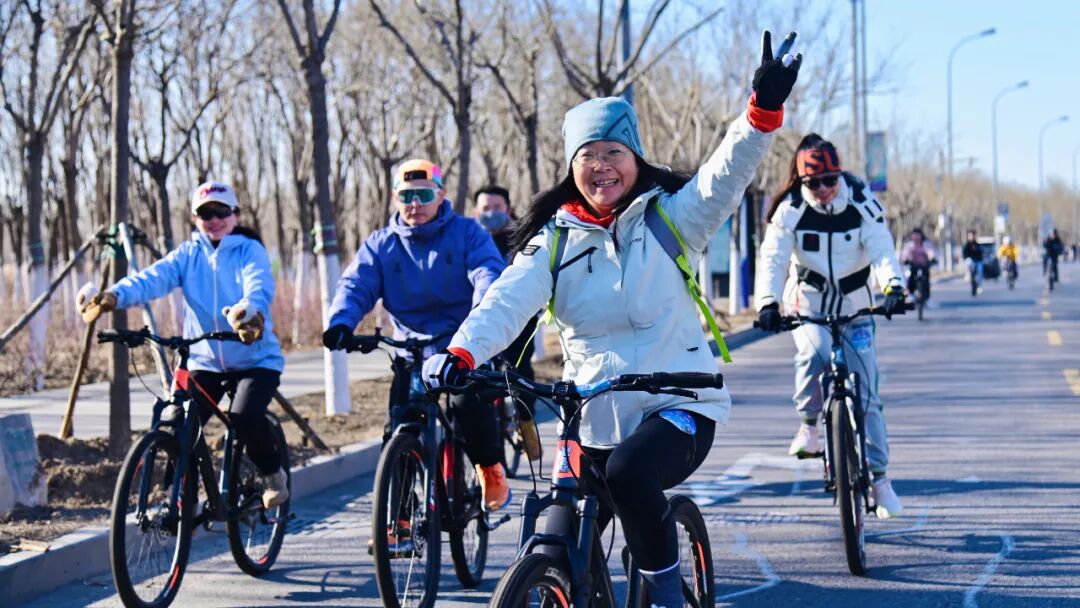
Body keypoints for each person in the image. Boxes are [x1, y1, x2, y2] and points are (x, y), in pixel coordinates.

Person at [423, 31, 801, 607]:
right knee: (554, 537)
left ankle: (668, 597)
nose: (601, 168)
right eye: (588, 157)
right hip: (590, 414)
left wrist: (761, 112)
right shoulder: (554, 242)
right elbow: (504, 300)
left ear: (635, 158)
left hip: (678, 403)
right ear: (572, 167)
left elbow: (725, 174)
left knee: (628, 474)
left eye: (613, 154)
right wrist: (462, 353)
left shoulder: (673, 218)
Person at [76, 181, 289, 508]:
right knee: (177, 425)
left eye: (221, 211)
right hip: (204, 361)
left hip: (254, 360)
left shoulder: (250, 250)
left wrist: (250, 315)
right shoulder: (189, 255)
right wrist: (113, 296)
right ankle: (181, 506)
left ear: (235, 214)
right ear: (194, 218)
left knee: (243, 416)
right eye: (205, 213)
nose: (214, 219)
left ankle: (273, 474)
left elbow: (257, 286)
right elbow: (152, 279)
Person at [320, 159, 512, 514]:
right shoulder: (381, 244)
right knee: (399, 426)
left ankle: (490, 467)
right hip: (411, 350)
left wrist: (481, 317)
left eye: (424, 195)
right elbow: (356, 284)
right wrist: (341, 323)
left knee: (468, 405)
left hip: (462, 345)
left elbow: (487, 272)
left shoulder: (468, 233)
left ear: (440, 195)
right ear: (395, 199)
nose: (415, 204)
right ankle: (400, 517)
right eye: (406, 196)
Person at [755, 134, 906, 520]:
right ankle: (808, 425)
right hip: (809, 301)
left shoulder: (861, 203)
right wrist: (767, 302)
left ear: (839, 175)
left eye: (830, 180)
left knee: (868, 393)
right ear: (800, 181)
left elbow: (881, 248)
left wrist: (893, 286)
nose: (823, 190)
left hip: (856, 306)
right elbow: (772, 259)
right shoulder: (788, 210)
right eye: (813, 183)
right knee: (812, 352)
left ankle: (882, 480)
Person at [473, 185, 541, 462]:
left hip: (518, 317)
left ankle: (525, 424)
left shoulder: (521, 237)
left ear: (508, 209)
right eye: (485, 209)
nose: (491, 214)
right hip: (479, 318)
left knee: (518, 372)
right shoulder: (471, 239)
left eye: (496, 208)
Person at [899, 227, 937, 300]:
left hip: (924, 265)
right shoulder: (910, 245)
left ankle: (927, 297)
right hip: (914, 265)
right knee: (911, 278)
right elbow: (905, 253)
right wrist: (905, 259)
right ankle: (910, 294)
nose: (916, 237)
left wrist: (932, 258)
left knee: (926, 280)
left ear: (921, 236)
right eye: (914, 235)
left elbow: (930, 252)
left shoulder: (925, 244)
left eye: (918, 235)